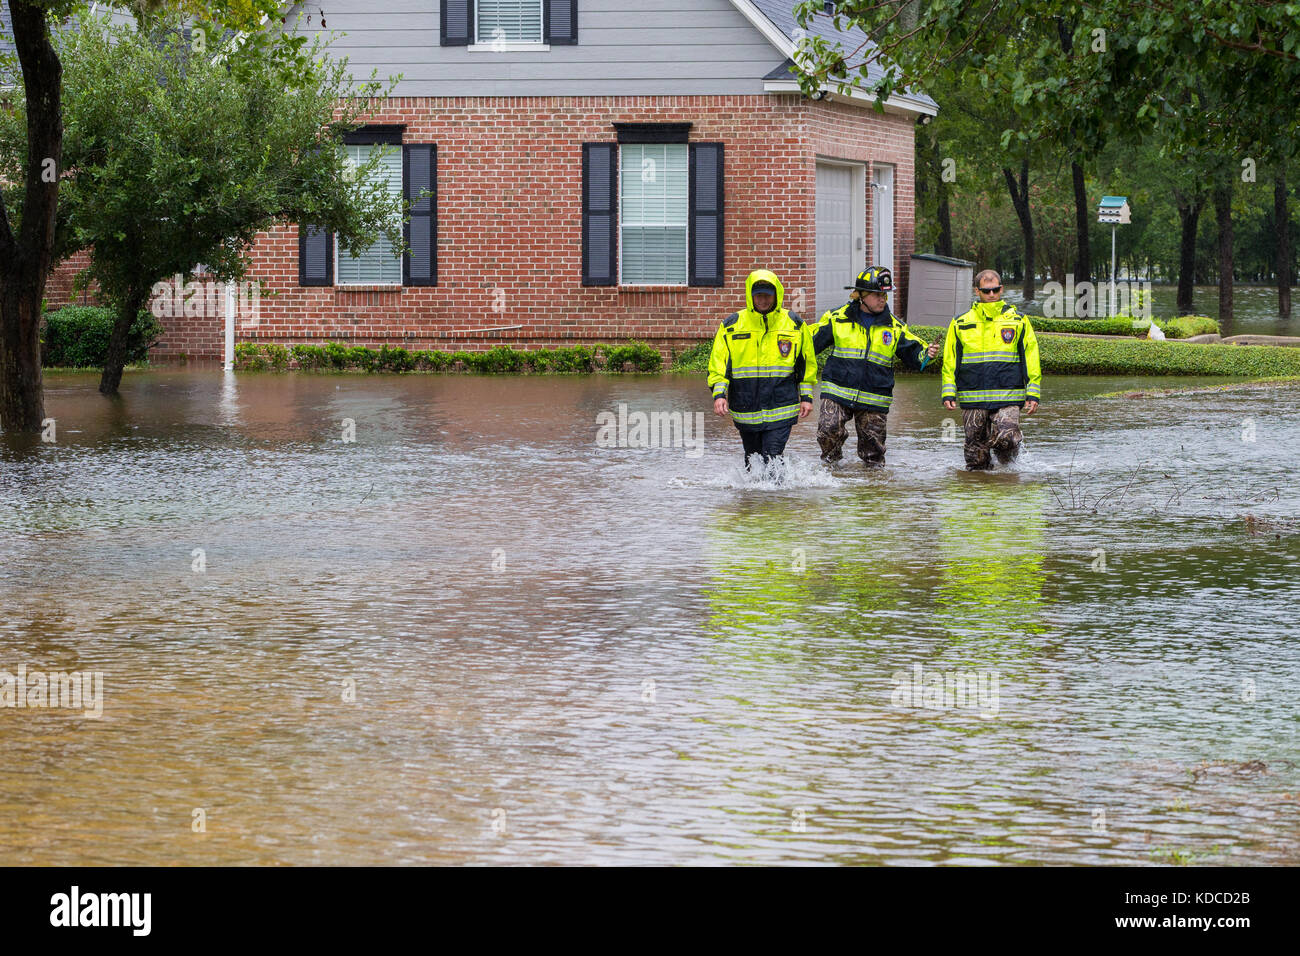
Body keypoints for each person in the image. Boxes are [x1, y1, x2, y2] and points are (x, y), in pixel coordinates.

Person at [812, 266, 940, 466]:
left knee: (873, 456)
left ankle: (873, 491)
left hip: (874, 398)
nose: (882, 299)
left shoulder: (895, 327)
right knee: (828, 431)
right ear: (861, 295)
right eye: (877, 294)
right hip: (837, 392)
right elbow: (809, 344)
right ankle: (833, 471)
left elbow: (915, 354)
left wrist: (927, 354)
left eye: (885, 295)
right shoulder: (837, 318)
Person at [708, 269, 817, 469]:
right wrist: (719, 396)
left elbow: (806, 364)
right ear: (750, 296)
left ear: (777, 295)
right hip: (746, 408)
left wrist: (807, 398)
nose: (763, 300)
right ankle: (753, 500)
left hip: (782, 407)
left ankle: (776, 499)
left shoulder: (795, 325)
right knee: (753, 460)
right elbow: (719, 365)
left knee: (773, 457)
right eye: (759, 296)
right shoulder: (731, 326)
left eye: (768, 295)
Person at [940, 269, 1042, 469]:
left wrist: (1033, 392)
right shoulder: (960, 323)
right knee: (975, 458)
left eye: (995, 290)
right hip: (972, 396)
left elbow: (1031, 356)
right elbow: (950, 360)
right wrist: (948, 391)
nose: (992, 295)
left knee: (1008, 438)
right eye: (986, 291)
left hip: (1009, 394)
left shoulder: (1018, 321)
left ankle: (1009, 473)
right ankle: (981, 490)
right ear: (977, 291)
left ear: (1001, 289)